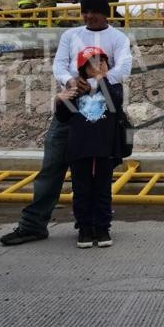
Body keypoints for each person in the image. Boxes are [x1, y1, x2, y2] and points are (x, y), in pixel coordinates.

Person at [0, 0, 133, 247]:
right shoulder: (70, 35)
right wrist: (71, 81)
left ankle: (99, 225)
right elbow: (59, 65)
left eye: (94, 11)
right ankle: (34, 225)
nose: (89, 16)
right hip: (70, 111)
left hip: (104, 114)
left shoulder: (118, 37)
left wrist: (93, 84)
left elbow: (123, 68)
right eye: (85, 11)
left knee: (101, 177)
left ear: (105, 11)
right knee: (51, 167)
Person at [54, 45, 124, 247]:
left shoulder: (113, 85)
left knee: (103, 189)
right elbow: (63, 117)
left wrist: (102, 79)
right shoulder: (76, 89)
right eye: (92, 62)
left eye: (101, 61)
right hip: (79, 148)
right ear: (83, 68)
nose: (97, 66)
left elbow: (114, 104)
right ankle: (84, 228)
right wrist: (59, 100)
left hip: (104, 148)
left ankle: (102, 228)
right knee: (82, 190)